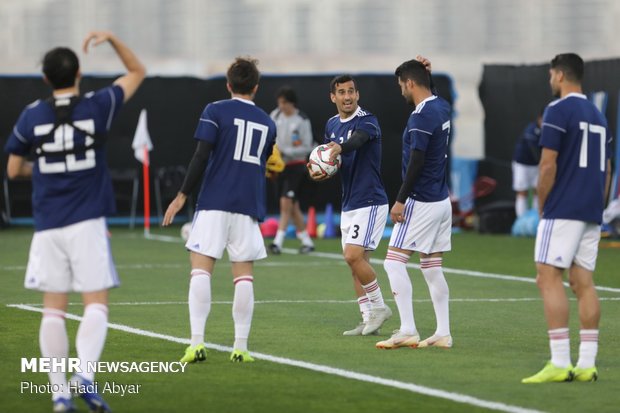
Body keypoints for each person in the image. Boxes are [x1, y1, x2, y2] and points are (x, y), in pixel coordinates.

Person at [4, 31, 145, 412]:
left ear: (47, 78)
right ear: (78, 73)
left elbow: (14, 168)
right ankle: (84, 376)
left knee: (53, 308)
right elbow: (137, 71)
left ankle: (59, 395)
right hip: (87, 222)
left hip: (48, 223)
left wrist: (45, 167)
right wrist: (114, 38)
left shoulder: (32, 114)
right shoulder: (99, 105)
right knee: (95, 303)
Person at [163, 57, 276, 365]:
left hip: (214, 201)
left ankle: (197, 343)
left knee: (200, 271)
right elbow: (266, 164)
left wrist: (182, 194)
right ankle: (241, 347)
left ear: (229, 85)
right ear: (255, 87)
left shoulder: (215, 110)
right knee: (244, 277)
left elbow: (201, 155)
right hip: (247, 206)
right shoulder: (268, 122)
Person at [522, 53, 612, 384]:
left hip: (563, 208)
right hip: (591, 210)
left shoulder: (557, 110)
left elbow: (547, 165)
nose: (550, 81)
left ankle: (560, 362)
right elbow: (607, 168)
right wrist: (598, 207)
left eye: (550, 75)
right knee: (582, 282)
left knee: (547, 277)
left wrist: (544, 204)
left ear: (559, 75)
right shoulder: (598, 115)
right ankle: (587, 363)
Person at [375, 57, 453, 350]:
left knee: (393, 263)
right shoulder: (440, 106)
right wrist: (426, 75)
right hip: (442, 200)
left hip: (422, 201)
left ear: (409, 83)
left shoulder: (421, 117)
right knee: (432, 267)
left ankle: (408, 328)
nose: (401, 91)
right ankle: (443, 332)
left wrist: (399, 200)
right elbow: (430, 92)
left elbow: (417, 161)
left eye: (401, 85)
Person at [309, 75, 391, 336]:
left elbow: (356, 141)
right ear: (333, 97)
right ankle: (368, 319)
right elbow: (334, 161)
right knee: (356, 264)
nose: (347, 97)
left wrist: (339, 149)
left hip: (370, 200)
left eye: (351, 91)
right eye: (341, 92)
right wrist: (322, 170)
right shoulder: (332, 124)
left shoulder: (367, 120)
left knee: (352, 256)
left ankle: (379, 308)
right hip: (350, 202)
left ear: (358, 94)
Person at [268, 86, 315, 254]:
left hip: (296, 166)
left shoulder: (302, 120)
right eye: (279, 103)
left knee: (285, 202)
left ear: (291, 103)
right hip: (279, 167)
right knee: (292, 206)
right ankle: (307, 241)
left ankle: (278, 242)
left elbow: (307, 146)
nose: (281, 106)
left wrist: (287, 151)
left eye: (283, 103)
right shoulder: (275, 116)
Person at [512, 112, 543, 217]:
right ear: (539, 118)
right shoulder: (531, 130)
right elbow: (535, 152)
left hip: (536, 166)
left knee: (538, 191)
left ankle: (534, 220)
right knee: (522, 192)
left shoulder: (548, 131)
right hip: (522, 164)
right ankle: (521, 221)